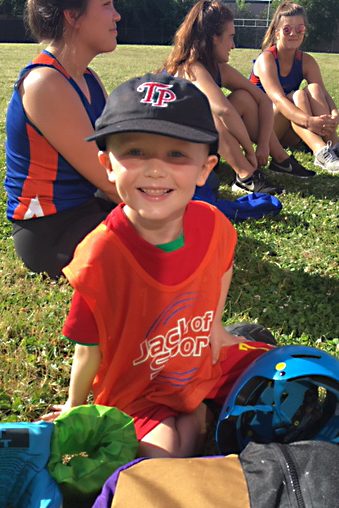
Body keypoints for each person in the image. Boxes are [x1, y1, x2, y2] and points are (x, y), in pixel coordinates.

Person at [42, 73, 273, 458]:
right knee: (161, 459)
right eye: (134, 152)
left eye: (177, 154)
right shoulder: (102, 254)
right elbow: (88, 346)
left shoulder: (212, 223)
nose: (154, 169)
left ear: (205, 168)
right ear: (108, 164)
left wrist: (215, 327)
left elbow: (223, 267)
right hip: (139, 390)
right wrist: (74, 405)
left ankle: (201, 412)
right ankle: (197, 421)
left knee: (275, 375)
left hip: (198, 361)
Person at [5, 0, 121, 279]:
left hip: (89, 205)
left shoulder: (89, 78)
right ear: (72, 16)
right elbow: (109, 180)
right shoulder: (44, 83)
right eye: (106, 5)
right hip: (51, 231)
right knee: (165, 244)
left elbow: (115, 155)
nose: (117, 15)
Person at [163, 0, 315, 196]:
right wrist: (249, 152)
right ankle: (245, 176)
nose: (233, 45)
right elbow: (222, 110)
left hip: (198, 148)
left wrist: (262, 146)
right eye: (231, 37)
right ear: (213, 38)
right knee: (209, 115)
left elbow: (262, 100)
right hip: (169, 151)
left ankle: (279, 157)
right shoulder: (190, 67)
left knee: (244, 98)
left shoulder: (219, 69)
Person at [250, 1, 339, 175]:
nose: (293, 34)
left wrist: (334, 113)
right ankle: (320, 151)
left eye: (300, 29)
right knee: (296, 96)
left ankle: (334, 146)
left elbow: (323, 93)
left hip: (292, 132)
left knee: (313, 89)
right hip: (266, 131)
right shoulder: (266, 59)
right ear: (277, 32)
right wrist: (309, 121)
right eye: (287, 30)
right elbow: (278, 100)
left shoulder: (306, 60)